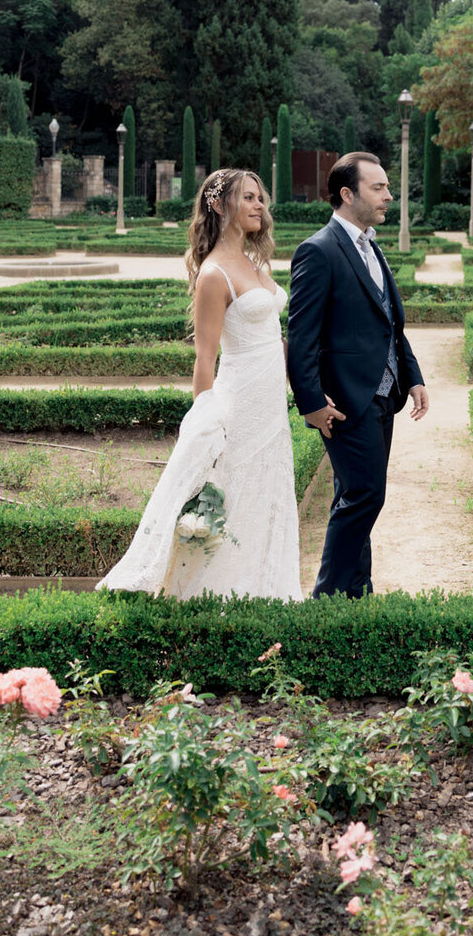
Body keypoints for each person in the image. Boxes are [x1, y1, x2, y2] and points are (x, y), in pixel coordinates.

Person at [96, 169, 300, 601]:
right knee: (234, 497)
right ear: (221, 206)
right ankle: (214, 596)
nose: (260, 205)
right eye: (249, 197)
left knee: (267, 496)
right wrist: (205, 422)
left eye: (260, 197)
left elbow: (275, 340)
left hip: (270, 405)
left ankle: (267, 591)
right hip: (238, 402)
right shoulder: (213, 275)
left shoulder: (251, 261)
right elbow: (205, 358)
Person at [287, 152, 428, 598]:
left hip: (385, 395)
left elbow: (389, 321)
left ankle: (357, 594)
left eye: (387, 187)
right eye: (379, 188)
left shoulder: (371, 244)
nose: (389, 195)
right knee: (367, 494)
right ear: (347, 194)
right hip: (345, 400)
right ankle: (326, 598)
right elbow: (301, 336)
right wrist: (310, 403)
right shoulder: (318, 250)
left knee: (352, 495)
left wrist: (414, 375)